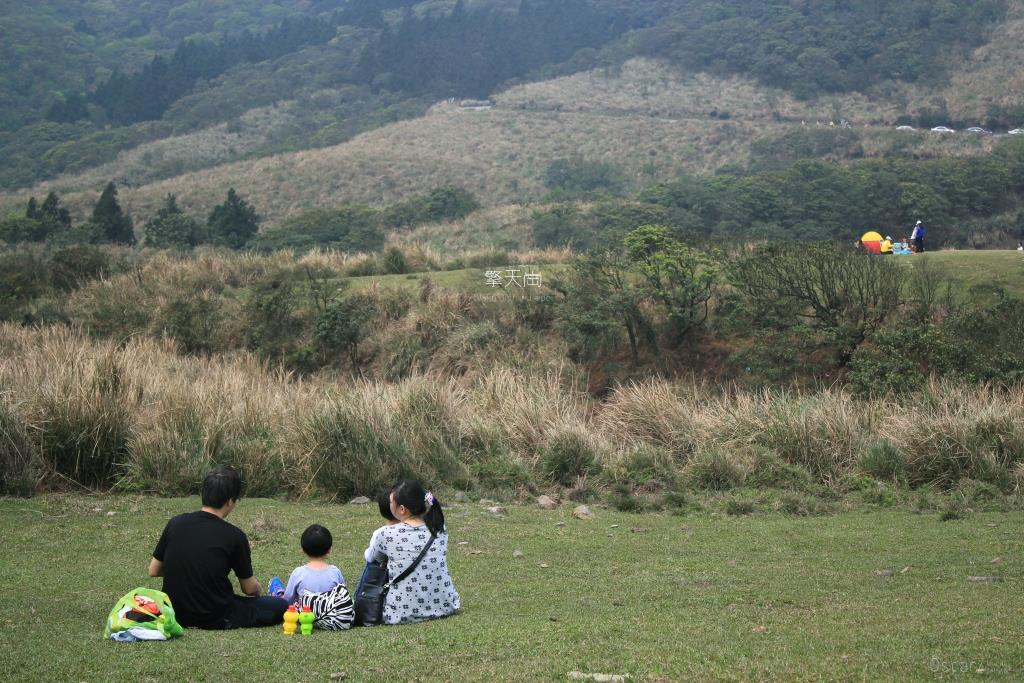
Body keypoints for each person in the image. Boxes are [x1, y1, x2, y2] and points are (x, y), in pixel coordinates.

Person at [148, 465, 288, 629]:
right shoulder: (234, 535)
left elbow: (154, 570)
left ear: (203, 494)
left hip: (173, 612)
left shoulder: (175, 523)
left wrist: (187, 572)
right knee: (280, 605)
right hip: (215, 615)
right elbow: (249, 589)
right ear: (230, 501)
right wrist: (258, 591)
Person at [366, 480, 460, 625]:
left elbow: (371, 558)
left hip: (401, 613)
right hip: (445, 606)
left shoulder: (385, 534)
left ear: (402, 509)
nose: (389, 504)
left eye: (390, 502)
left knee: (375, 562)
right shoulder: (440, 529)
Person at [281, 524, 346, 605]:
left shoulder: (298, 573)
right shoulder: (335, 572)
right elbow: (343, 597)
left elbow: (288, 600)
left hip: (304, 613)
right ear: (329, 550)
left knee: (275, 583)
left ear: (303, 550)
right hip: (330, 612)